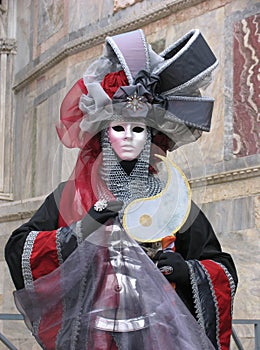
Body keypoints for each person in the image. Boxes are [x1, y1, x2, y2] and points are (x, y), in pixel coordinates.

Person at [5, 29, 237, 350]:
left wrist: (187, 271)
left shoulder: (170, 199)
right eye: (118, 127)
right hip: (91, 338)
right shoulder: (69, 195)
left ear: (151, 136)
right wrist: (83, 229)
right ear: (103, 134)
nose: (128, 136)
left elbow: (221, 268)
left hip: (158, 338)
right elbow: (19, 248)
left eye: (138, 128)